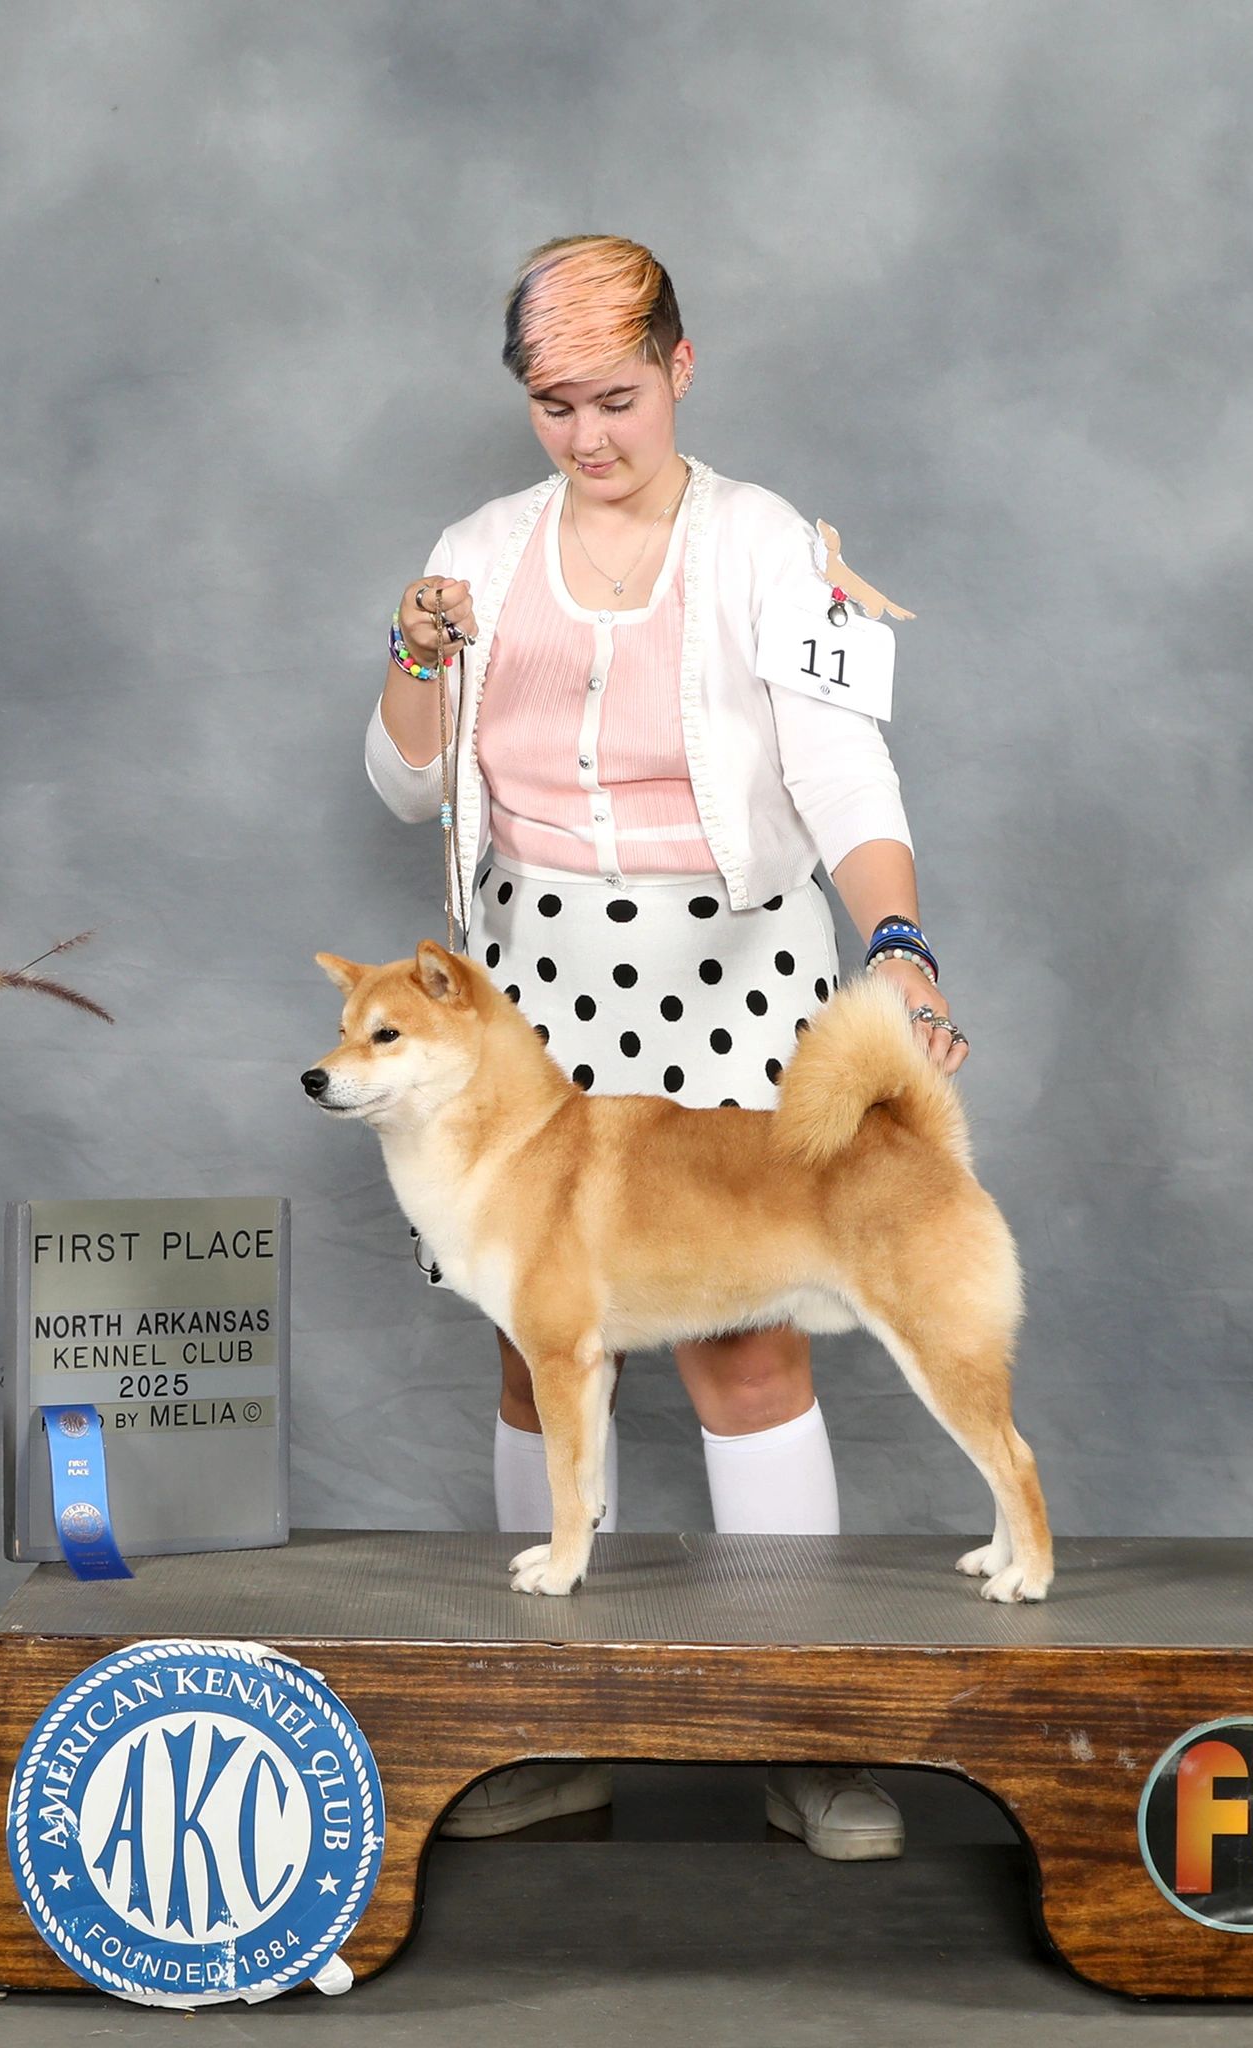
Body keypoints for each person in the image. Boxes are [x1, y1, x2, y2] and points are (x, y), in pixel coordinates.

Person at [361, 236, 965, 1861]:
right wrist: (415, 656)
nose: (589, 436)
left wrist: (897, 946)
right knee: (535, 1342)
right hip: (530, 990)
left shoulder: (767, 543)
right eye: (554, 405)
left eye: (617, 399)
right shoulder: (476, 553)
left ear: (682, 370)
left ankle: (802, 1730)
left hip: (738, 975)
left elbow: (843, 768)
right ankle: (558, 1727)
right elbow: (406, 784)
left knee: (747, 1344)